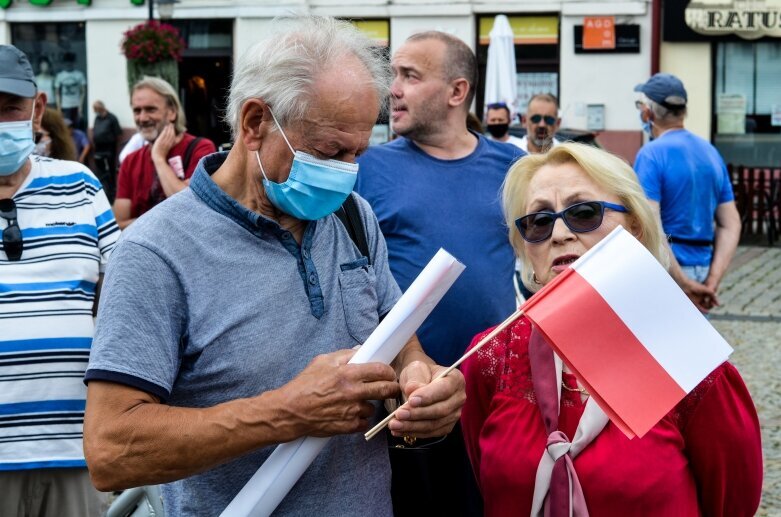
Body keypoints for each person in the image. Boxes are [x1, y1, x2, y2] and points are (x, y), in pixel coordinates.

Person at [83, 16, 465, 517]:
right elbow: (110, 451)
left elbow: (396, 339)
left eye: (357, 153)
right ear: (255, 123)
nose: (346, 173)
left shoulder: (352, 217)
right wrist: (287, 411)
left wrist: (421, 380)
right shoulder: (155, 253)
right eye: (330, 151)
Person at [461, 142, 762, 517]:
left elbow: (731, 501)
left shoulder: (688, 362)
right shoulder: (491, 355)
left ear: (634, 228)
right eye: (538, 221)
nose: (558, 234)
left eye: (583, 213)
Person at [355, 30, 524, 516]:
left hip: (489, 391)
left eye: (410, 76)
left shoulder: (513, 168)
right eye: (393, 76)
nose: (394, 89)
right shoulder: (367, 169)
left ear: (457, 92)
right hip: (404, 396)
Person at [0, 44, 118, 517]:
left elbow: (123, 300)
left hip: (77, 449)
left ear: (37, 109)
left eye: (8, 107)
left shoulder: (81, 186)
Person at [634, 73, 741, 313]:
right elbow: (731, 223)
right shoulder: (711, 153)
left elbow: (650, 223)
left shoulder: (650, 155)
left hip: (668, 271)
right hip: (702, 269)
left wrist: (682, 283)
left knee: (660, 348)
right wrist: (712, 280)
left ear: (648, 113)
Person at [113, 76, 216, 228]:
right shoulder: (130, 161)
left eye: (150, 109)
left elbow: (189, 207)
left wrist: (159, 158)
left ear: (172, 112)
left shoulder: (201, 149)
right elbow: (119, 222)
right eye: (137, 110)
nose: (142, 118)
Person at [92, 100, 123, 202]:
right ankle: (101, 192)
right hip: (98, 150)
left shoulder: (112, 118)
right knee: (100, 172)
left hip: (109, 150)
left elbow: (118, 134)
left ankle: (111, 194)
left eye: (96, 109)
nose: (95, 111)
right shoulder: (97, 118)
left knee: (109, 173)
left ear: (101, 107)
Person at [54, 52, 86, 127]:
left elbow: (83, 92)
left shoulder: (79, 75)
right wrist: (59, 108)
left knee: (77, 126)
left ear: (73, 62)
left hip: (76, 105)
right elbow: (57, 93)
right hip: (65, 106)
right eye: (66, 62)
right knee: (66, 127)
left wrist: (80, 107)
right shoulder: (60, 76)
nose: (68, 64)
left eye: (70, 62)